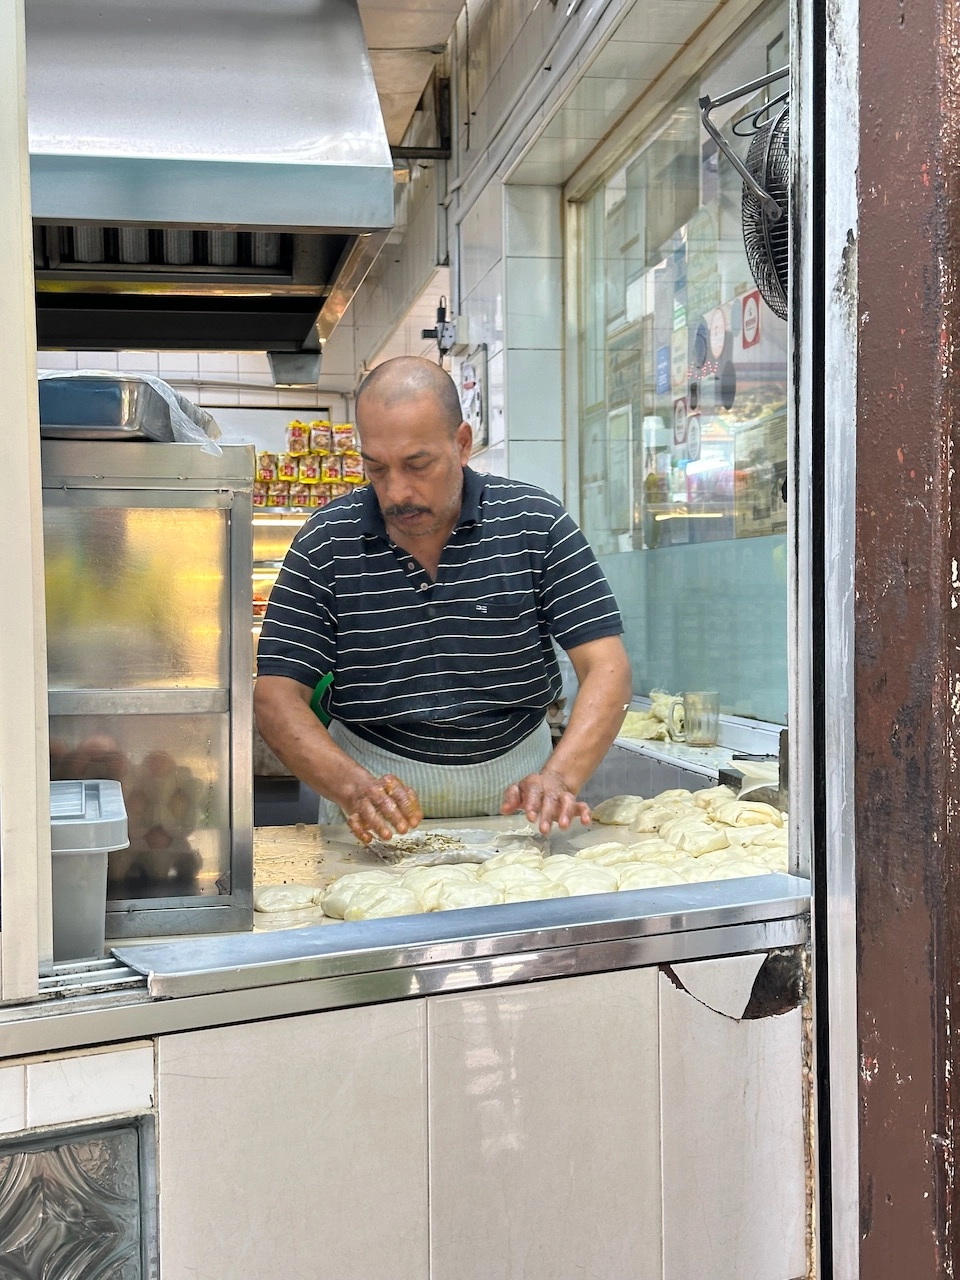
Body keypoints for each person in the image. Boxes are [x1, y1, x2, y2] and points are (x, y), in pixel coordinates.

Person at [254, 356, 632, 843]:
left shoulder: (534, 523)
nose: (397, 492)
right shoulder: (326, 542)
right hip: (372, 801)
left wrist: (559, 777)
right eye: (376, 468)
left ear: (461, 444)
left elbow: (608, 667)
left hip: (517, 794)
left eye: (418, 465)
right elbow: (276, 697)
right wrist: (354, 790)